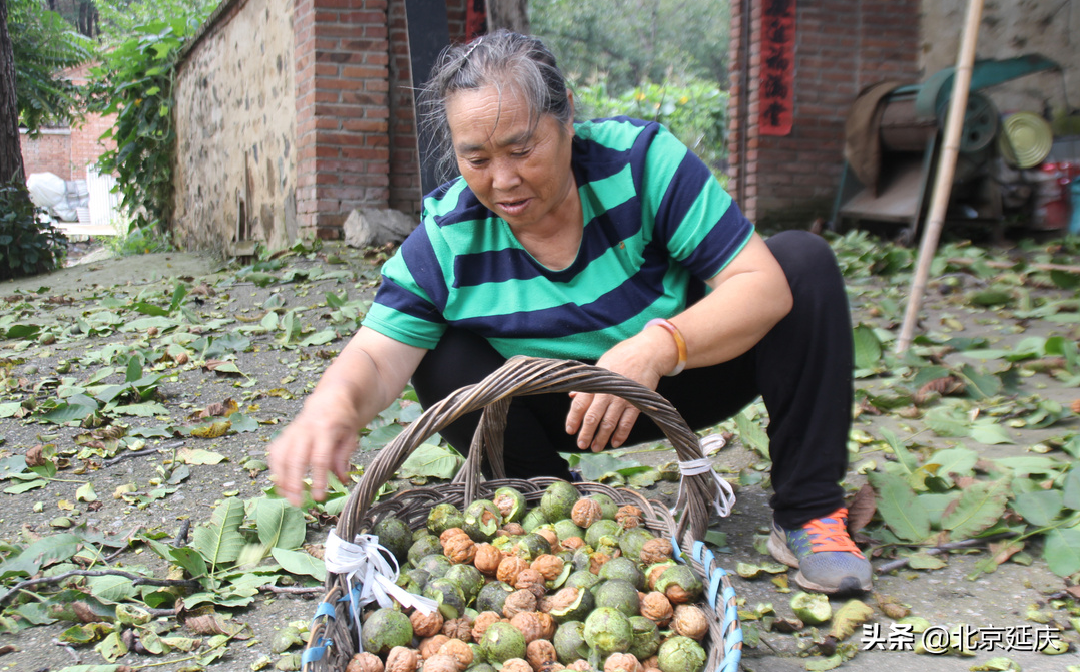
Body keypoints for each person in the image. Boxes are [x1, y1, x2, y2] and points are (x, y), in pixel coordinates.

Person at [268, 30, 871, 595]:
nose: (503, 179)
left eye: (522, 148)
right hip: (559, 408)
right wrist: (331, 406)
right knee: (441, 353)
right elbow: (377, 352)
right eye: (475, 158)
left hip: (681, 378)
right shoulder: (449, 235)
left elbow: (760, 288)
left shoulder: (643, 163)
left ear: (566, 118)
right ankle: (551, 504)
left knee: (802, 264)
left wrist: (657, 347)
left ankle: (811, 510)